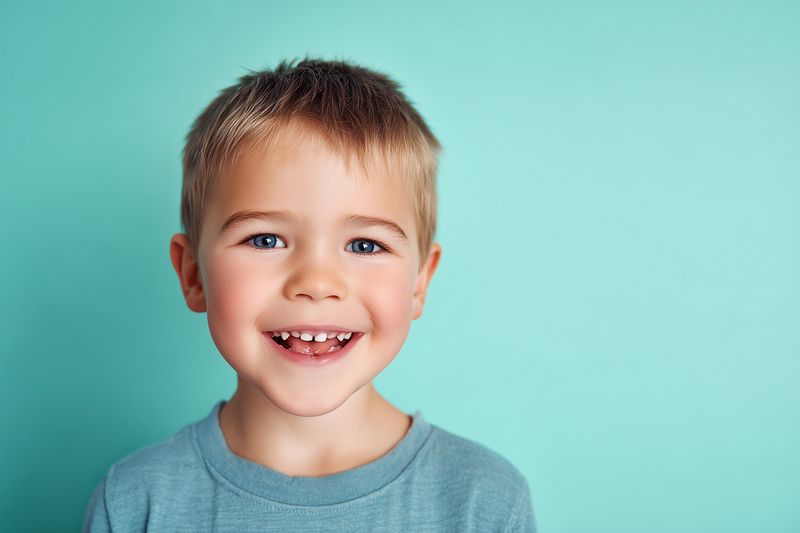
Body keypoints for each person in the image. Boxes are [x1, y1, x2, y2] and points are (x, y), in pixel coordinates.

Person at [82, 56, 536, 532]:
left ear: (419, 282)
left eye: (365, 245)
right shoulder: (135, 501)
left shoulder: (482, 501)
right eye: (265, 240)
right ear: (193, 274)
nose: (317, 283)